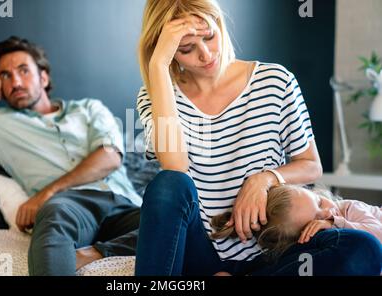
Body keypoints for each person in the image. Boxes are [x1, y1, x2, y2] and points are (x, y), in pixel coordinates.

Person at [134, 0, 382, 275]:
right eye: (186, 49)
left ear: (219, 23)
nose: (206, 55)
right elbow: (175, 166)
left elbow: (311, 165)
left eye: (209, 37)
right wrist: (157, 64)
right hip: (202, 253)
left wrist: (264, 178)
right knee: (168, 184)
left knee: (364, 248)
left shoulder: (275, 81)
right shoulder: (156, 96)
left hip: (276, 252)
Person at [0, 36, 141, 276]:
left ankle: (93, 253)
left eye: (23, 70)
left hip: (125, 202)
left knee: (180, 224)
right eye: (5, 75)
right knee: (54, 213)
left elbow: (110, 157)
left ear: (43, 77)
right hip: (70, 209)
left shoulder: (89, 108)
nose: (16, 82)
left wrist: (46, 193)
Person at [210, 185, 382, 262]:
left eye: (320, 202)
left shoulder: (347, 209)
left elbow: (378, 236)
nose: (328, 213)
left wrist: (336, 223)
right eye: (317, 220)